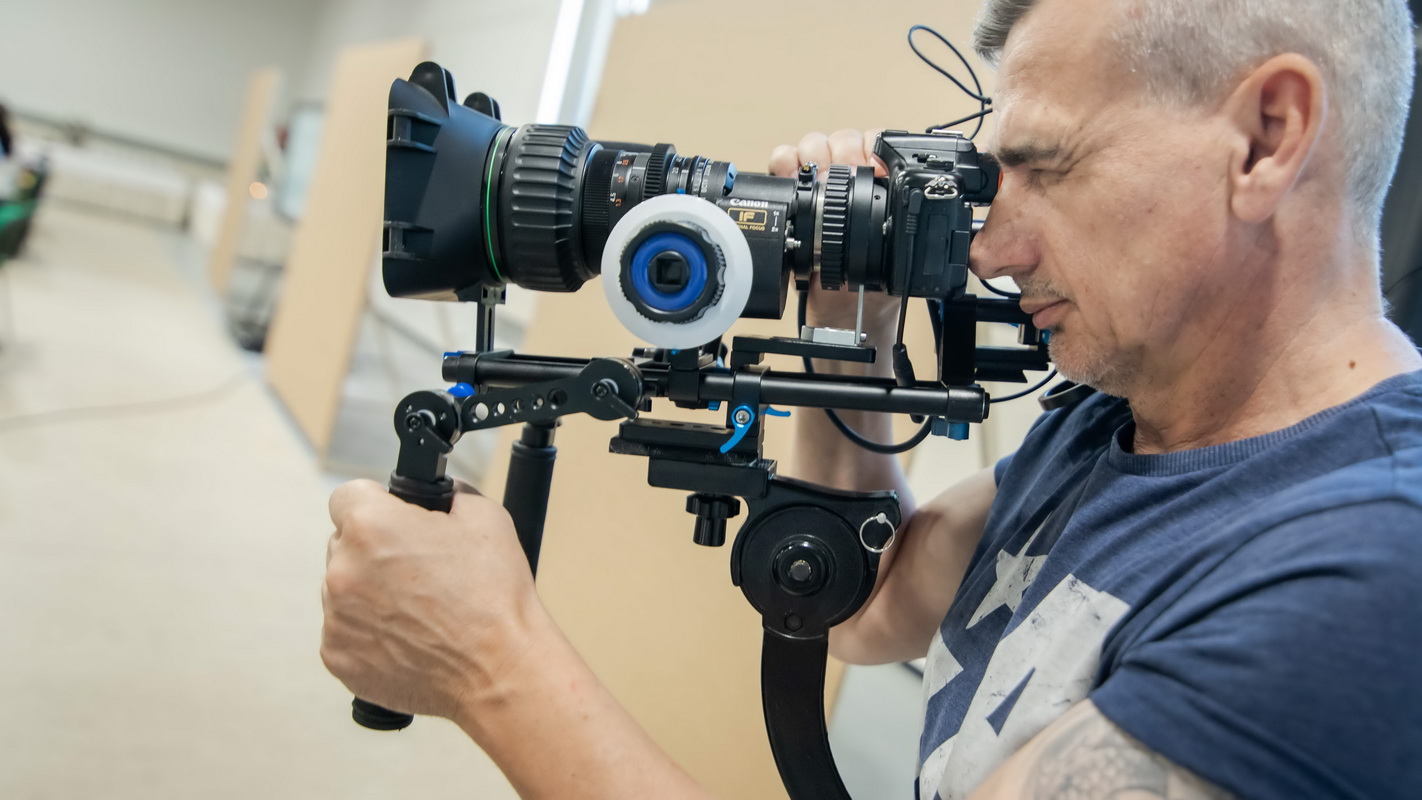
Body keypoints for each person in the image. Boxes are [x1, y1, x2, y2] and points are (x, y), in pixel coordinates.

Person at [321, 0, 1422, 797]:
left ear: (1266, 137)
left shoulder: (1364, 575)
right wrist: (851, 318)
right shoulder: (1120, 424)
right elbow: (870, 610)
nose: (991, 246)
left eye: (1047, 166)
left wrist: (490, 663)